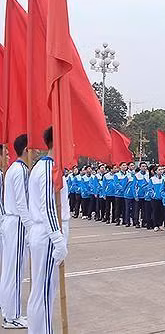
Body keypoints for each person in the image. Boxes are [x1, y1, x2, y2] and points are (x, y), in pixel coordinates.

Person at [27, 127, 69, 334]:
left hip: (45, 234)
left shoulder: (50, 167)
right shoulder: (46, 168)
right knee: (42, 292)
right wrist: (58, 239)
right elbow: (48, 207)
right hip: (46, 235)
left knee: (44, 292)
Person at [0, 135, 31, 329]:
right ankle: (12, 316)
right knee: (16, 270)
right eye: (33, 149)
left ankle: (7, 309)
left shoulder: (14, 169)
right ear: (26, 150)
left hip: (12, 221)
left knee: (10, 269)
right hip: (17, 222)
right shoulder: (20, 170)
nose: (35, 153)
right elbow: (21, 203)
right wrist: (30, 226)